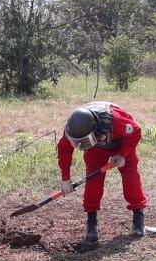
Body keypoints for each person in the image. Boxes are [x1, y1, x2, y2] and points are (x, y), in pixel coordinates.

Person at [57, 101, 147, 243]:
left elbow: (135, 132)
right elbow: (64, 150)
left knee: (131, 180)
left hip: (122, 146)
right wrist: (65, 178)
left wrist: (123, 155)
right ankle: (91, 224)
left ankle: (138, 218)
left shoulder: (116, 121)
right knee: (93, 184)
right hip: (96, 151)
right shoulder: (73, 128)